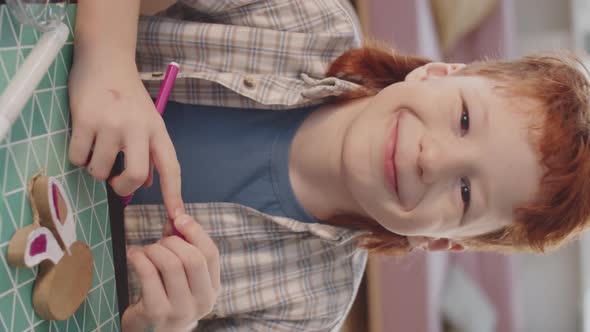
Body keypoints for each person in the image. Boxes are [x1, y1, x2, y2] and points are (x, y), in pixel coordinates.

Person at [68, 0, 590, 331]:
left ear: (439, 242)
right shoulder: (305, 20)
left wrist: (161, 329)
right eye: (463, 118)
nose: (432, 159)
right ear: (437, 73)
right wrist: (107, 61)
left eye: (465, 193)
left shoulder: (310, 310)